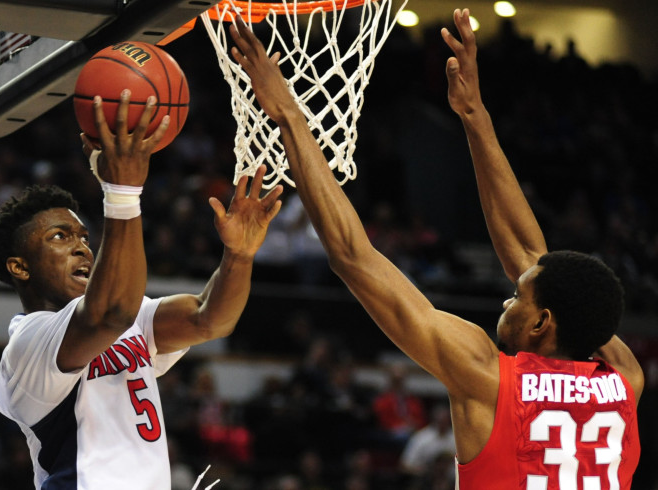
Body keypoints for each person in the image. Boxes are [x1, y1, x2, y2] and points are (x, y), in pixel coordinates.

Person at [228, 8, 642, 488]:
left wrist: (287, 113)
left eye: (518, 297)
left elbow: (353, 256)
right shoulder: (625, 377)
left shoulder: (486, 376)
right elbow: (536, 264)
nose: (509, 295)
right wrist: (473, 115)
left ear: (542, 323)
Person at [0, 91, 283, 489]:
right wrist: (121, 193)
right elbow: (110, 313)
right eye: (60, 236)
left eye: (84, 237)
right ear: (20, 267)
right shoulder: (27, 346)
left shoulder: (126, 314)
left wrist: (239, 256)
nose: (81, 246)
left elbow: (209, 318)